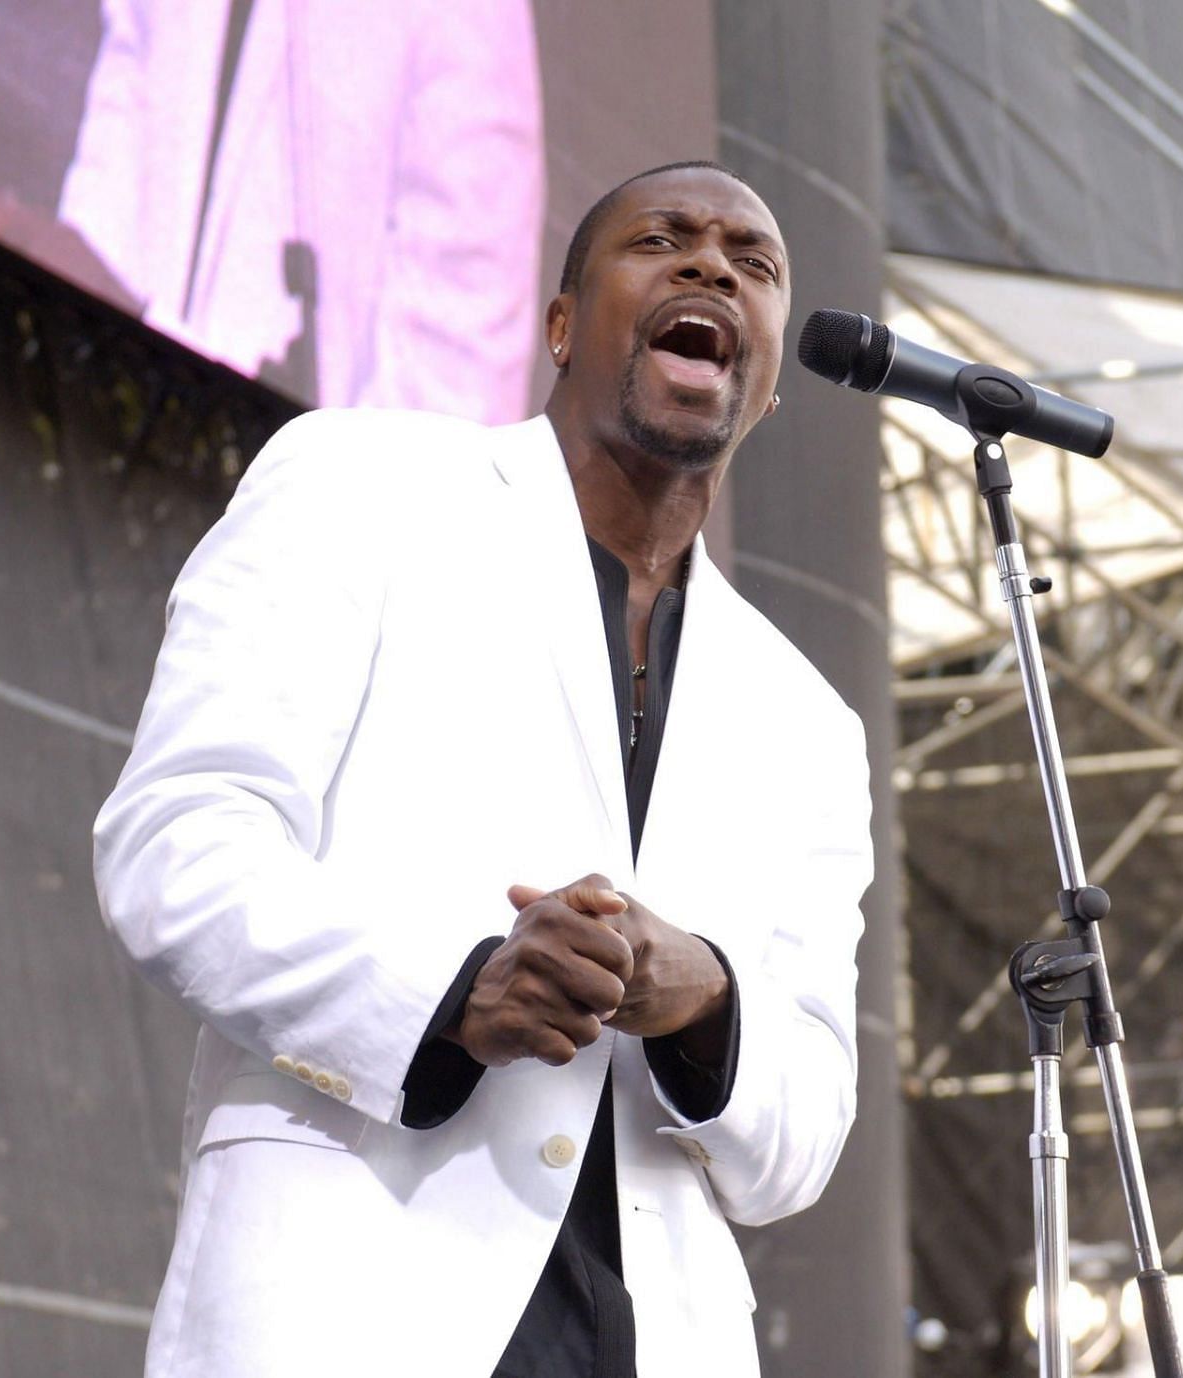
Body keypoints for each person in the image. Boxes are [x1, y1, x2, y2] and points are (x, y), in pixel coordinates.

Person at [93, 161, 874, 1377]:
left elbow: (806, 1129)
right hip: (349, 1308)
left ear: (767, 385)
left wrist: (705, 997)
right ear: (561, 325)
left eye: (754, 263)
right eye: (662, 238)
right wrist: (456, 990)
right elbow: (178, 844)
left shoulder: (808, 721)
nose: (713, 266)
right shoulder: (360, 486)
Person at [0, 0, 543, 423]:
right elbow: (129, 84)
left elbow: (460, 388)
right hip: (108, 453)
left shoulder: (471, 18)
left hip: (305, 544)